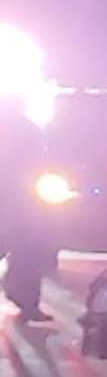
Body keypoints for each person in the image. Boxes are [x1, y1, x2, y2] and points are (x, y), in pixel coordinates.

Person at [0, 101, 52, 323]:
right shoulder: (28, 129)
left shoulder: (28, 129)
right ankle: (25, 299)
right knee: (27, 250)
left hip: (21, 198)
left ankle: (26, 299)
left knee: (26, 250)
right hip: (21, 198)